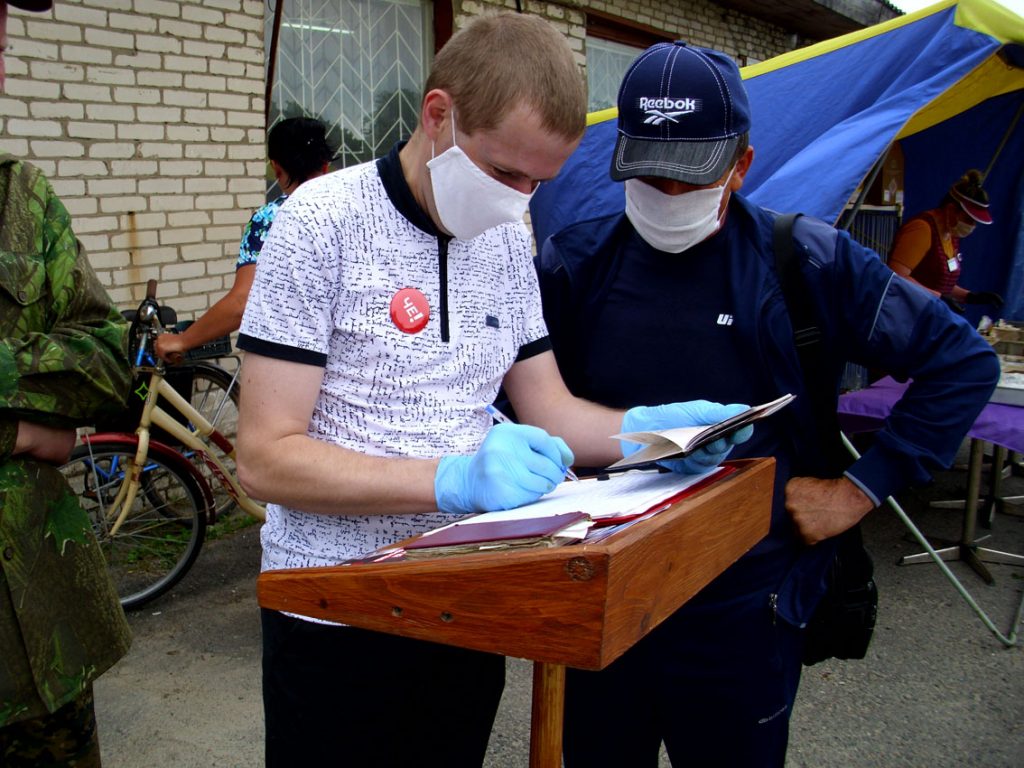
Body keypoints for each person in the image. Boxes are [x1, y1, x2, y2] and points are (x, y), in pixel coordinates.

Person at [234, 15, 754, 768]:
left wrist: (657, 434)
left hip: (468, 597)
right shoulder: (320, 224)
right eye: (506, 172)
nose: (520, 197)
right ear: (438, 114)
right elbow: (265, 459)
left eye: (539, 180)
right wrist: (450, 479)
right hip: (332, 616)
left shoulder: (507, 239)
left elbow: (550, 408)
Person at [534, 42, 1000, 767]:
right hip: (604, 598)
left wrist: (862, 488)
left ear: (741, 165)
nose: (664, 193)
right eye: (647, 172)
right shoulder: (574, 265)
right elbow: (523, 409)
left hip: (743, 610)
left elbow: (964, 362)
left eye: (688, 177)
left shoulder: (806, 263)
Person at [0, 1, 133, 765]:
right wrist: (19, 429)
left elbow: (108, 359)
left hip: (41, 639)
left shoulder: (21, 196)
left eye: (1, 47)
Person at [155, 117, 334, 364]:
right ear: (325, 166)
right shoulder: (360, 213)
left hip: (297, 369)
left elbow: (242, 301)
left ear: (276, 168)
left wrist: (182, 340)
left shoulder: (270, 219)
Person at [888, 168, 1004, 314]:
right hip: (904, 314)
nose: (972, 226)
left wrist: (969, 297)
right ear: (950, 209)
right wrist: (939, 298)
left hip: (929, 315)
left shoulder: (951, 235)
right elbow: (897, 276)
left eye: (975, 222)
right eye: (968, 219)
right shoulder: (922, 229)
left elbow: (940, 283)